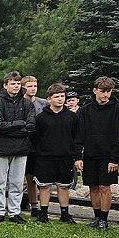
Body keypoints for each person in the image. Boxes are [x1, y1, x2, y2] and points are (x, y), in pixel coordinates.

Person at [75, 76, 119, 231]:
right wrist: (78, 156)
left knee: (105, 187)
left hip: (108, 156)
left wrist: (115, 159)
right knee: (93, 187)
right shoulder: (85, 110)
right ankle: (96, 217)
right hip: (90, 154)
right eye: (103, 91)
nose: (106, 95)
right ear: (95, 90)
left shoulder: (118, 109)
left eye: (109, 92)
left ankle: (104, 219)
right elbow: (80, 134)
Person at [0, 71, 36, 224]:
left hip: (21, 149)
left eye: (18, 83)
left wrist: (12, 129)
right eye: (12, 83)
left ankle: (14, 212)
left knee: (17, 183)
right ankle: (0, 212)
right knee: (0, 183)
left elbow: (30, 126)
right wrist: (19, 124)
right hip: (1, 149)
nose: (15, 86)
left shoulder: (27, 104)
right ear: (5, 85)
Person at [32, 83, 79, 224]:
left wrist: (76, 156)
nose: (60, 99)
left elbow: (76, 138)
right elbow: (35, 138)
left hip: (65, 157)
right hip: (45, 157)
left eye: (62, 96)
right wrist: (42, 151)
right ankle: (43, 214)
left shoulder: (72, 117)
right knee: (44, 186)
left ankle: (65, 214)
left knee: (63, 186)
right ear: (49, 99)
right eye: (56, 96)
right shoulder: (41, 118)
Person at [21, 76, 49, 217]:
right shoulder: (19, 102)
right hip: (25, 143)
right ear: (23, 87)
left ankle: (43, 205)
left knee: (42, 178)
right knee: (29, 177)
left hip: (41, 144)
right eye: (30, 86)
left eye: (35, 86)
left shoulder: (43, 103)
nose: (33, 88)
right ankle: (34, 205)